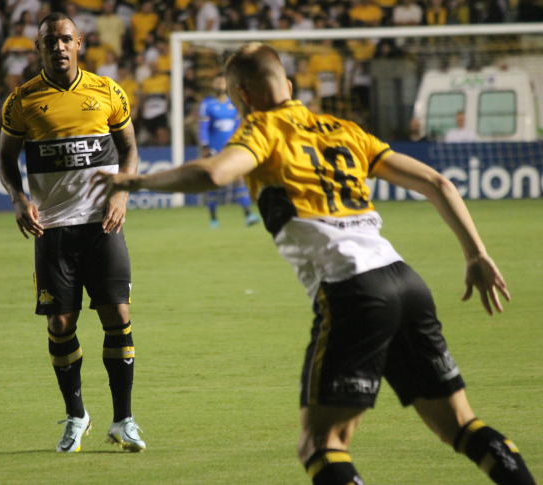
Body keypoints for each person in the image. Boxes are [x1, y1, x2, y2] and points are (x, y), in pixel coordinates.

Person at [90, 43, 538, 485]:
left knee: (321, 445)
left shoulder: (262, 128)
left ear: (243, 95)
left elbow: (214, 173)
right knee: (460, 424)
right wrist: (476, 253)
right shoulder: (344, 129)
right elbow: (437, 182)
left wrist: (135, 179)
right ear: (287, 84)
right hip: (406, 281)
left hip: (353, 291)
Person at [0, 12, 145, 454]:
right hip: (54, 230)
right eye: (49, 41)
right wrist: (19, 199)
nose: (58, 47)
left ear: (79, 43)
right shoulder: (22, 101)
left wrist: (122, 194)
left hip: (103, 224)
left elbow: (130, 149)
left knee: (117, 317)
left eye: (65, 39)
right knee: (61, 323)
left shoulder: (107, 91)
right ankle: (76, 415)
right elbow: (6, 161)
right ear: (39, 48)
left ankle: (124, 419)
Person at [198, 73, 260, 228]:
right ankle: (213, 218)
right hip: (214, 149)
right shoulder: (207, 104)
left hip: (231, 149)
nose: (220, 85)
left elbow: (239, 127)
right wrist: (205, 146)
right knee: (214, 182)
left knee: (239, 178)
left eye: (222, 82)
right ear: (213, 85)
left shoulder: (233, 104)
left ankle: (248, 214)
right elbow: (203, 128)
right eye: (217, 82)